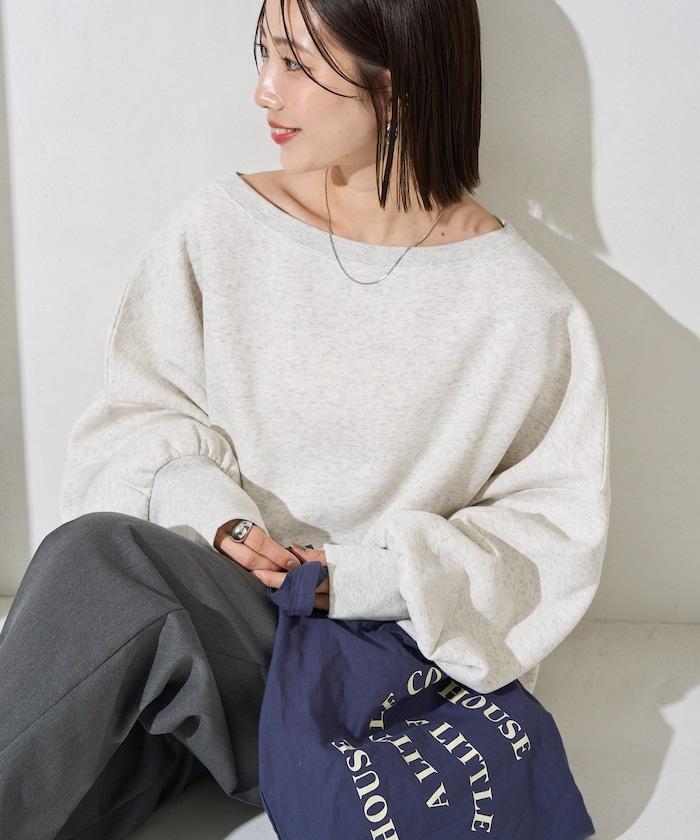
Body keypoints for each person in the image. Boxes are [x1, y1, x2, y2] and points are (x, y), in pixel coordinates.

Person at [0, 0, 610, 838]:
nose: (264, 90)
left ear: (394, 79)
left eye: (295, 62)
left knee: (96, 564)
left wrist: (347, 578)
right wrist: (218, 520)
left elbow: (546, 544)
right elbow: (137, 416)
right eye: (265, 54)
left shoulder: (522, 306)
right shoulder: (222, 227)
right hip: (226, 635)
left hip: (376, 669)